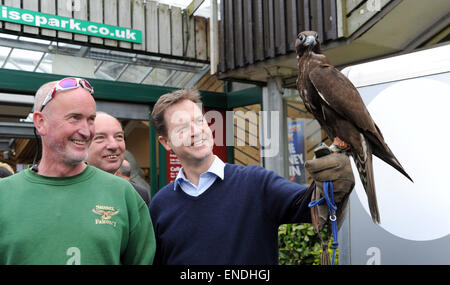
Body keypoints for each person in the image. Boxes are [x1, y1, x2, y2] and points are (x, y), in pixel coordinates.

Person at [149, 89, 355, 265]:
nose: (196, 131)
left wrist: (331, 182)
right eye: (183, 127)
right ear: (166, 142)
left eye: (198, 120)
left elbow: (312, 205)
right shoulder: (160, 206)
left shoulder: (255, 183)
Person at [0, 78, 155, 265]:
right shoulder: (4, 194)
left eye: (91, 119)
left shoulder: (124, 194)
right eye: (74, 117)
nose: (86, 131)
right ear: (40, 122)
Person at [86, 111, 150, 205]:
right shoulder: (64, 188)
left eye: (119, 136)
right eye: (100, 138)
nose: (114, 145)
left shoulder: (138, 194)